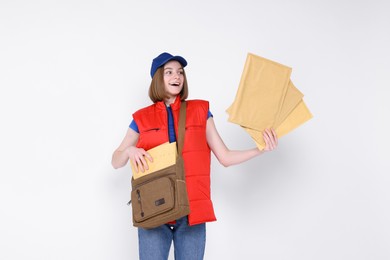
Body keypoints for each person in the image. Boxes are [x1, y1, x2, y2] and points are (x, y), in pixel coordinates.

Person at [111, 52, 278, 260]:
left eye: (180, 72)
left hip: (192, 210)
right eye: (169, 72)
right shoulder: (141, 118)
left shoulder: (201, 111)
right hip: (154, 210)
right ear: (157, 79)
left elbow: (225, 157)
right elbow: (116, 161)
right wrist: (128, 151)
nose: (177, 77)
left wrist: (260, 149)